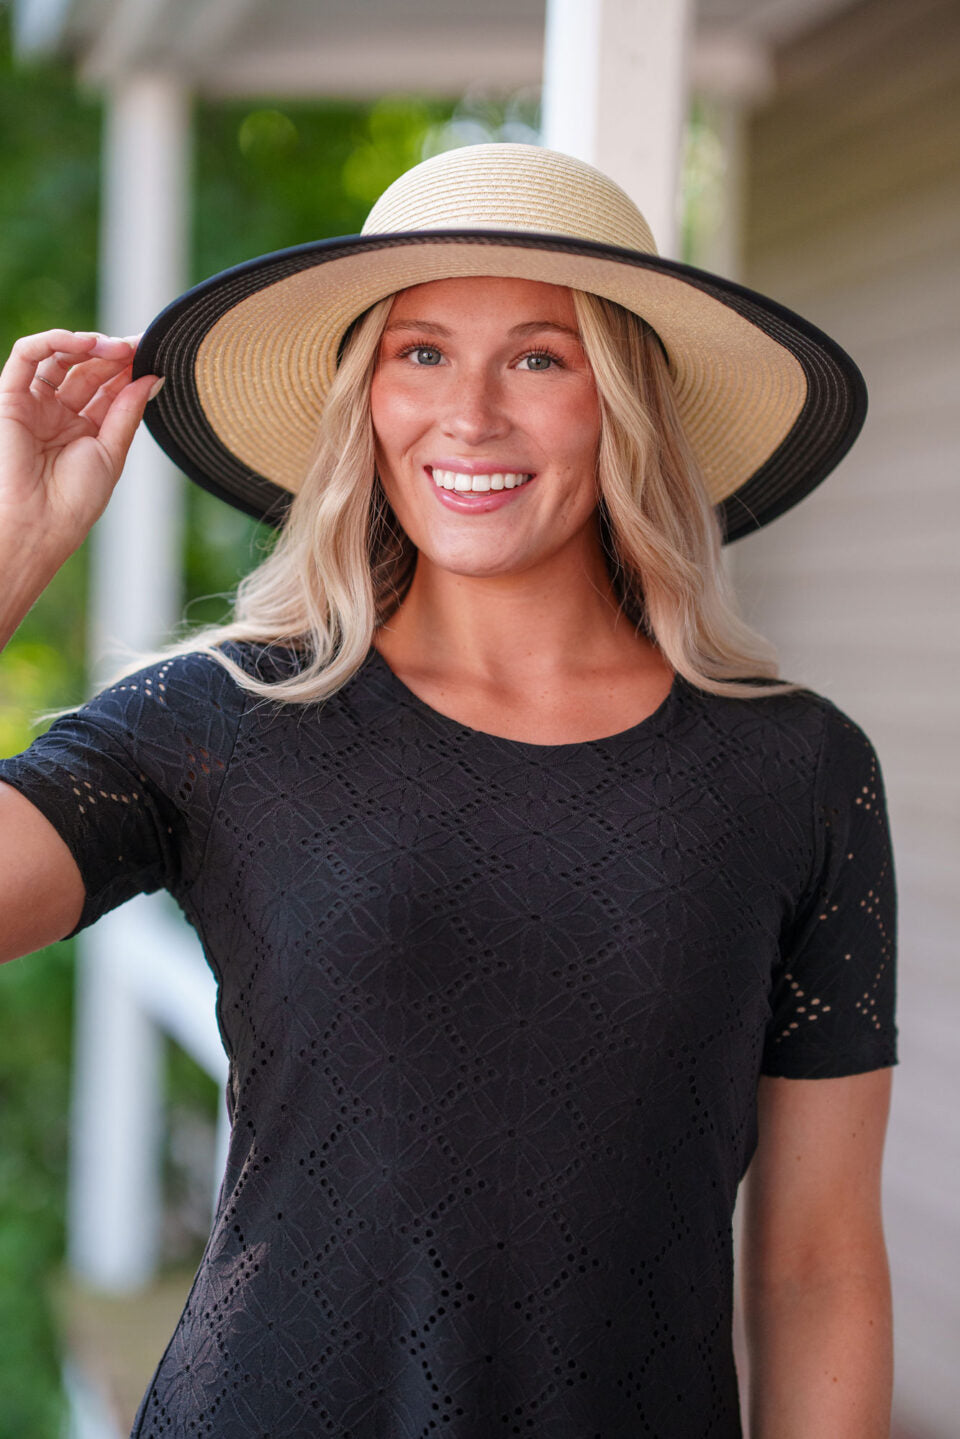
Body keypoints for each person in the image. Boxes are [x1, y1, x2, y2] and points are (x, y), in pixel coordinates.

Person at [0, 144, 896, 1438]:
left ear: (623, 402)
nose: (468, 416)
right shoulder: (224, 725)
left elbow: (816, 1268)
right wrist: (12, 553)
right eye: (420, 354)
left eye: (538, 357)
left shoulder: (796, 773)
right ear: (366, 398)